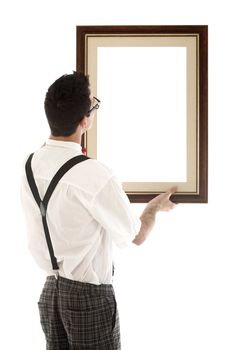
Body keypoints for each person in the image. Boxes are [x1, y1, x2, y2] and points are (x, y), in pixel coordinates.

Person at [20, 71, 177, 350]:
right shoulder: (94, 175)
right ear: (84, 121)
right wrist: (153, 209)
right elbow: (135, 236)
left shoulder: (30, 165)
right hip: (88, 299)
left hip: (50, 295)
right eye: (93, 106)